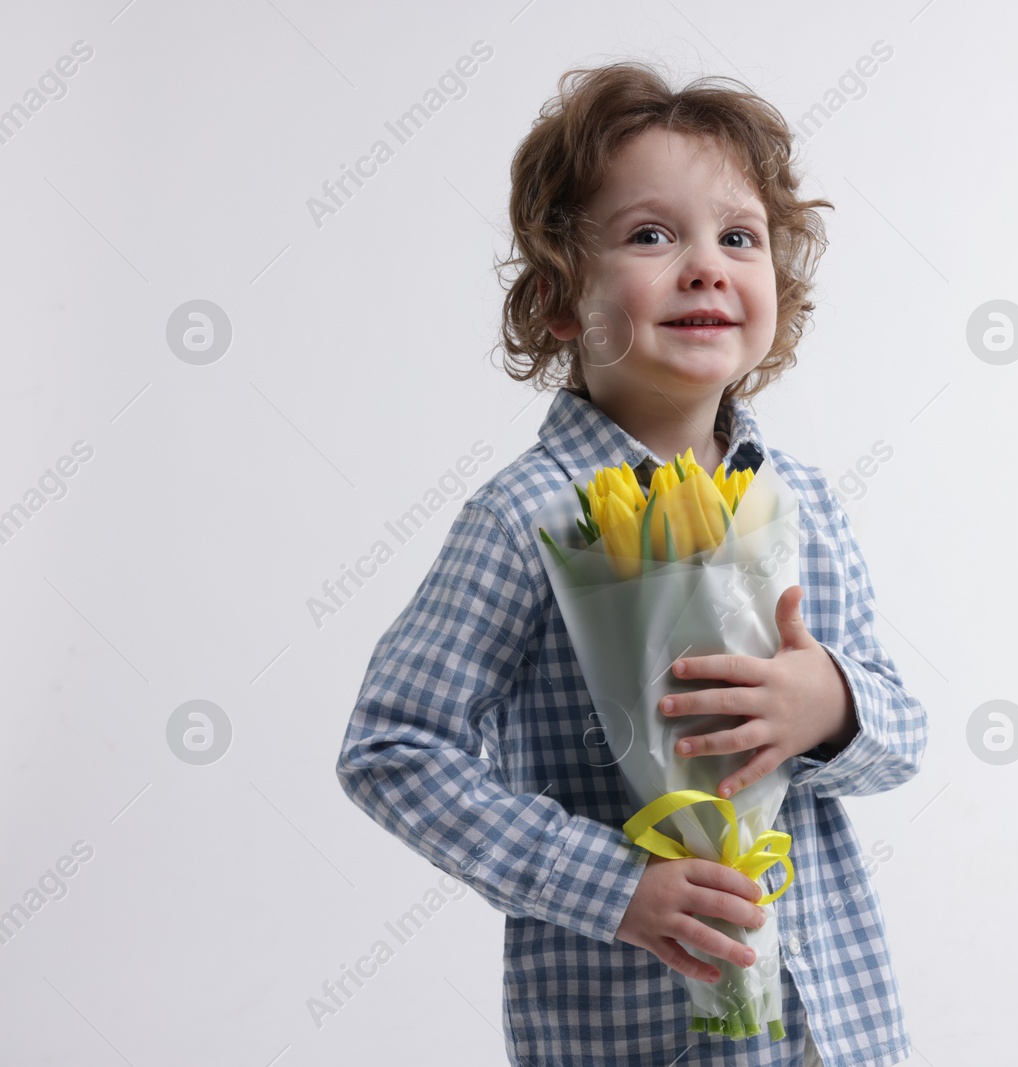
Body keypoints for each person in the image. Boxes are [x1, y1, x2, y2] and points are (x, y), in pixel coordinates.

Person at [335, 60, 926, 1067]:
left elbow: (901, 732)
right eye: (651, 235)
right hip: (631, 1032)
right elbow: (394, 747)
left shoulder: (802, 501)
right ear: (561, 302)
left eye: (738, 237)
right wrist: (612, 886)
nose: (705, 264)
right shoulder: (529, 517)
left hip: (831, 1028)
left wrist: (828, 702)